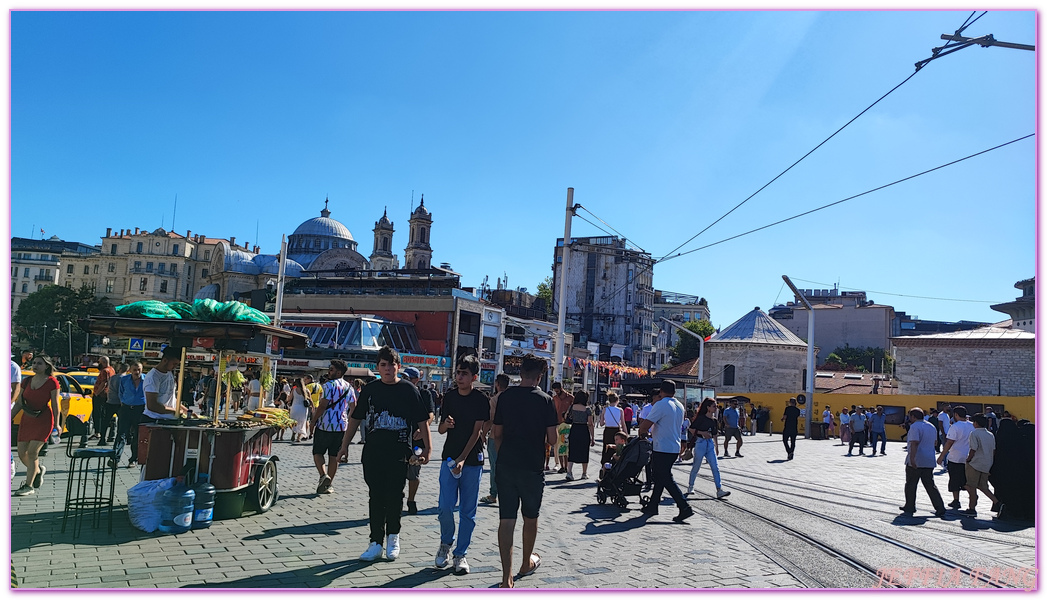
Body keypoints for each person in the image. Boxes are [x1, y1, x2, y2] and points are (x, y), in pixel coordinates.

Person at [339, 347, 431, 562]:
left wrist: (428, 448)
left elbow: (421, 420)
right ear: (377, 367)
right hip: (373, 452)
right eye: (383, 365)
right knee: (375, 496)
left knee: (394, 496)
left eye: (391, 365)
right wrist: (345, 445)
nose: (388, 369)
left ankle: (393, 538)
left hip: (399, 452)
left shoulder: (409, 390)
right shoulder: (371, 390)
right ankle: (375, 542)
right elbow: (356, 418)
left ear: (398, 366)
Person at [491, 354, 558, 588]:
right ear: (539, 377)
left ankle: (506, 577)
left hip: (507, 464)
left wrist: (502, 455)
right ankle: (525, 563)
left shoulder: (504, 397)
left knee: (506, 519)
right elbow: (552, 437)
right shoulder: (546, 400)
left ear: (520, 374)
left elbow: (496, 434)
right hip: (532, 466)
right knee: (531, 517)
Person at [435, 355, 489, 575]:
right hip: (449, 459)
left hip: (472, 461)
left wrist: (463, 459)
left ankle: (461, 554)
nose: (459, 377)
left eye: (464, 373)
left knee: (468, 512)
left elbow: (477, 432)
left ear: (474, 377)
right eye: (458, 372)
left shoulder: (480, 399)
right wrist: (445, 425)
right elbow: (439, 429)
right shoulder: (449, 397)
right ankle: (446, 543)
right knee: (445, 507)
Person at [637, 379, 693, 523]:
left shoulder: (661, 404)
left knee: (665, 477)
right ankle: (653, 505)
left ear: (661, 391)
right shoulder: (680, 405)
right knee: (660, 476)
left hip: (662, 446)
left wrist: (642, 433)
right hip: (674, 446)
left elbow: (646, 424)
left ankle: (684, 506)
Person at [12, 355, 61, 496]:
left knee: (33, 452)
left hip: (43, 419)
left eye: (39, 363)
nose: (35, 365)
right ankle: (37, 470)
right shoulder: (26, 381)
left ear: (46, 366)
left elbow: (55, 404)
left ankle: (28, 486)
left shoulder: (52, 382)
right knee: (22, 453)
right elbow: (20, 403)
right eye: (34, 363)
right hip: (27, 420)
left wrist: (57, 424)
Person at [310, 360, 354, 495]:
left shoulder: (328, 386)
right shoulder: (349, 387)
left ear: (339, 372)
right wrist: (347, 419)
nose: (329, 372)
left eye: (331, 369)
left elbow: (323, 406)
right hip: (341, 427)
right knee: (334, 456)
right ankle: (329, 484)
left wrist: (313, 421)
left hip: (325, 425)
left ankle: (323, 476)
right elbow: (354, 407)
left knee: (318, 452)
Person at [899, 407, 946, 517]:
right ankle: (940, 507)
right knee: (930, 485)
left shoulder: (915, 427)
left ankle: (910, 506)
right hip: (929, 460)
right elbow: (935, 442)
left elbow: (914, 443)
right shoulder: (931, 426)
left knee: (911, 484)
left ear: (913, 417)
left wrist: (912, 459)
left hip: (917, 460)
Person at [403, 367, 435, 515]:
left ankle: (411, 500)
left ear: (416, 379)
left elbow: (430, 415)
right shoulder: (398, 392)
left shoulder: (424, 394)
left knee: (414, 472)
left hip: (417, 440)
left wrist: (423, 429)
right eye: (403, 376)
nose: (405, 380)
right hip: (401, 438)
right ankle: (396, 498)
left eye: (408, 377)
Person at [686, 398, 731, 499]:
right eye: (714, 406)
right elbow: (691, 429)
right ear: (708, 408)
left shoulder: (714, 420)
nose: (716, 408)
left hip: (710, 444)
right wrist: (702, 433)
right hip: (700, 442)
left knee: (715, 467)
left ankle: (719, 489)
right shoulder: (701, 418)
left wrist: (716, 447)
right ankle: (691, 486)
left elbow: (715, 434)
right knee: (696, 466)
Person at [480, 373, 510, 505]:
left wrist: (482, 434)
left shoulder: (494, 400)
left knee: (495, 466)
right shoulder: (511, 399)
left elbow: (490, 420)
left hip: (494, 436)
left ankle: (493, 494)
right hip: (509, 437)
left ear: (497, 384)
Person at [937, 405, 974, 511]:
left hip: (955, 457)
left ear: (956, 415)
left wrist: (942, 456)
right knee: (965, 478)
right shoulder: (972, 425)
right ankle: (969, 497)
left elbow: (949, 442)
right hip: (968, 457)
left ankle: (958, 499)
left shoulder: (955, 426)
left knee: (955, 480)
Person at [961, 413, 998, 517]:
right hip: (987, 463)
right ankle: (997, 502)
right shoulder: (990, 435)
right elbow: (993, 450)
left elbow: (973, 448)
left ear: (976, 423)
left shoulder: (974, 433)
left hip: (975, 463)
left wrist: (968, 459)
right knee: (983, 486)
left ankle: (972, 507)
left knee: (971, 486)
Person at [142, 347, 189, 423]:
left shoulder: (169, 373)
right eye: (174, 364)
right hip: (155, 420)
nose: (175, 367)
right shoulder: (153, 377)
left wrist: (186, 411)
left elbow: (171, 398)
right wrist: (176, 411)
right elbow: (152, 405)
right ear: (165, 360)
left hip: (169, 419)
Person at [113, 359, 146, 467]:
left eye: (139, 370)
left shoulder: (146, 380)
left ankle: (133, 459)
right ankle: (115, 459)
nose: (137, 372)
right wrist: (123, 402)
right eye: (135, 370)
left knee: (137, 435)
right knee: (121, 433)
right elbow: (121, 392)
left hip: (140, 409)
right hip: (126, 409)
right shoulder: (125, 379)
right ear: (130, 370)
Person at [565, 390, 595, 480]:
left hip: (574, 429)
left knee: (572, 450)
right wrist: (592, 437)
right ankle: (584, 473)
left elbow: (567, 417)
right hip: (583, 430)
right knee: (584, 451)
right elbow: (590, 423)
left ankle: (569, 472)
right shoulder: (587, 409)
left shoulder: (571, 407)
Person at [98, 361, 126, 446]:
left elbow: (108, 387)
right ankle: (118, 439)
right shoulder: (124, 379)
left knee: (105, 421)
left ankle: (102, 439)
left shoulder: (113, 378)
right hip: (119, 403)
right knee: (121, 422)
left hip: (110, 401)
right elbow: (122, 392)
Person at [550, 382, 573, 474]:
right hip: (557, 423)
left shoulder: (570, 398)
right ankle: (559, 464)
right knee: (558, 445)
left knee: (566, 446)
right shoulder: (554, 398)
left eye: (557, 390)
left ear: (561, 388)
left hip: (568, 425)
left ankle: (567, 466)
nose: (556, 392)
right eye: (555, 391)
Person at [599, 393, 626, 469]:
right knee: (617, 448)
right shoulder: (620, 410)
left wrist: (607, 421)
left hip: (607, 430)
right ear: (617, 400)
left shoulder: (605, 409)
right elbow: (623, 423)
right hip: (616, 431)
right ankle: (614, 465)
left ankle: (604, 466)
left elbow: (601, 423)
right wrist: (626, 434)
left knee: (606, 449)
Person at [288, 378, 310, 443]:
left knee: (294, 421)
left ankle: (293, 433)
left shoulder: (294, 390)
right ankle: (298, 437)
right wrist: (313, 407)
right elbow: (310, 400)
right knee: (301, 422)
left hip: (295, 407)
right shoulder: (306, 390)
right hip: (303, 408)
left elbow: (289, 399)